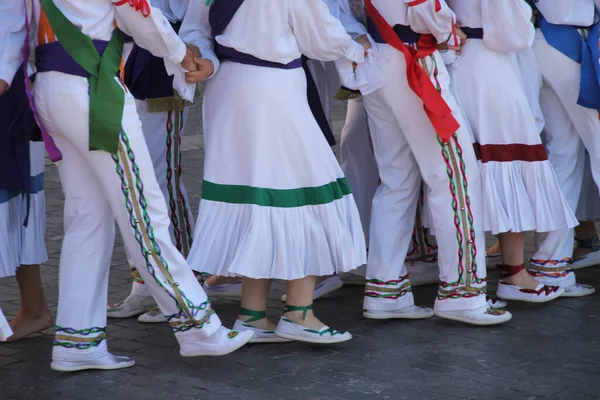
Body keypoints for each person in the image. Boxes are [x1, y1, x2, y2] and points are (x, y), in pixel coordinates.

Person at [8, 0, 254, 372]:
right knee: (144, 214)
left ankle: (79, 341)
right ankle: (199, 328)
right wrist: (183, 54)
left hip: (50, 86)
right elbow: (138, 14)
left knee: (87, 217)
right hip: (93, 89)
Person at [181, 0, 368, 344]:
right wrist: (356, 45)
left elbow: (196, 30)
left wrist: (206, 59)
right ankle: (299, 313)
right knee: (309, 192)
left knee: (258, 199)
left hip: (229, 90)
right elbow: (320, 38)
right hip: (275, 89)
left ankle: (252, 315)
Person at [335, 0, 511, 324]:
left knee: (395, 179)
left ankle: (385, 289)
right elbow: (424, 6)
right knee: (455, 175)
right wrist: (446, 26)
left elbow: (339, 10)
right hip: (410, 56)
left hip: (376, 57)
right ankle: (463, 292)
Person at [445, 0, 577, 303]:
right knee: (510, 164)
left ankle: (471, 280)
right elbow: (514, 34)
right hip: (493, 69)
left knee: (475, 171)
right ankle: (512, 274)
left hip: (461, 66)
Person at [525, 0, 598, 295]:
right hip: (572, 42)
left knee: (563, 154)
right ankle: (550, 262)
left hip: (539, 41)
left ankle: (551, 263)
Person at [0, 14, 53, 341]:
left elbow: (13, 31)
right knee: (17, 208)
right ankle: (34, 308)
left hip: (9, 97)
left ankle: (35, 309)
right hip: (12, 90)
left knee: (18, 209)